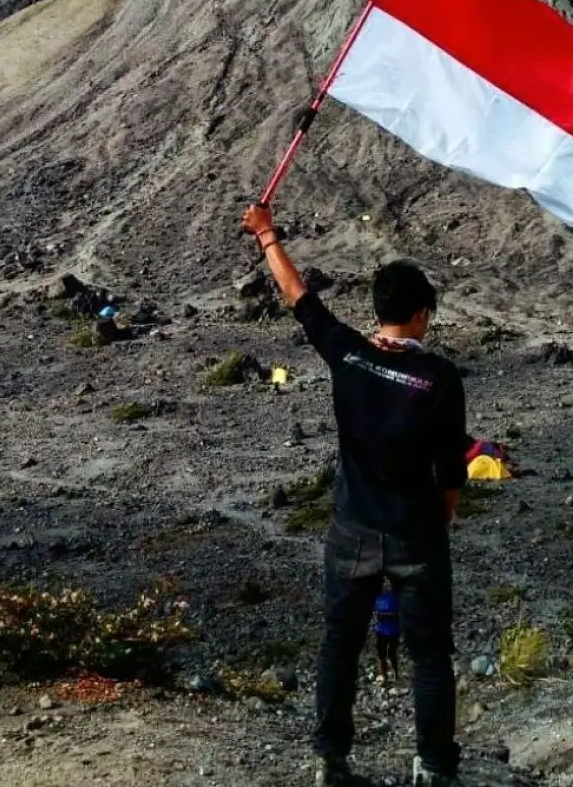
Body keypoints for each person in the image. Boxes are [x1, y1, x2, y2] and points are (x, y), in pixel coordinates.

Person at [241, 203, 468, 787]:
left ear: (379, 310)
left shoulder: (347, 353)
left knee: (340, 645)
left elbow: (298, 296)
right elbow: (450, 471)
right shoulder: (440, 379)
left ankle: (331, 762)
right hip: (415, 530)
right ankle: (436, 769)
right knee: (429, 658)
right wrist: (437, 520)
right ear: (420, 314)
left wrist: (267, 233)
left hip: (353, 530)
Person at [373, 580, 402, 682]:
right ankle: (384, 675)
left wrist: (388, 615)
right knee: (381, 653)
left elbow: (399, 612)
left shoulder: (394, 596)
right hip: (381, 630)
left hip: (393, 630)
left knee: (392, 652)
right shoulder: (376, 597)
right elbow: (374, 612)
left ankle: (396, 675)